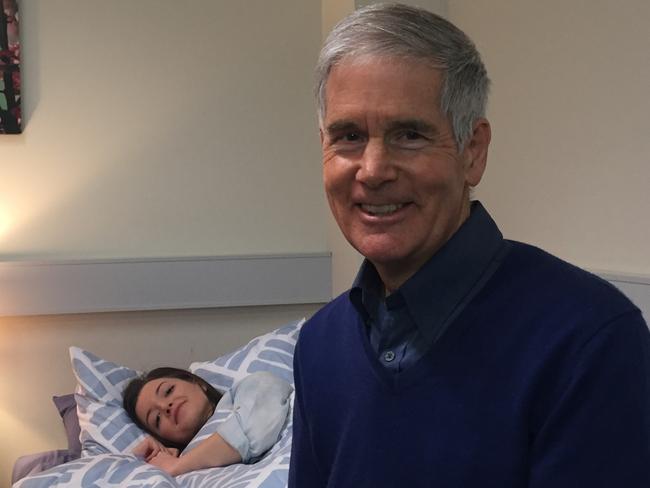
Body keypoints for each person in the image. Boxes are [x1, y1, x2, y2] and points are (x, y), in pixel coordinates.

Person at [289, 4, 650, 488]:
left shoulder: (590, 341)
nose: (372, 170)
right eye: (349, 136)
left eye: (409, 134)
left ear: (472, 152)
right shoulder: (318, 347)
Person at [123, 368, 292, 477]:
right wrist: (136, 460)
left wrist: (179, 465)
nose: (164, 406)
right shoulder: (173, 471)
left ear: (198, 383)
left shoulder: (248, 389)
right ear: (165, 438)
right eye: (157, 419)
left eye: (168, 390)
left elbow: (256, 423)